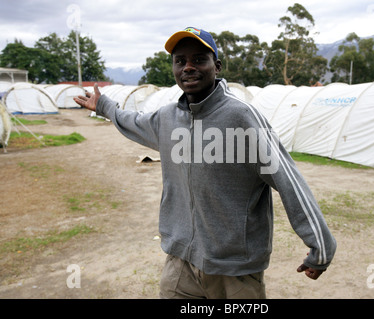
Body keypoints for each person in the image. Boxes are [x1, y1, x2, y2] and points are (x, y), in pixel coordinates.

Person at [74, 27, 336, 299]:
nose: (188, 67)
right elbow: (134, 121)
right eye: (180, 61)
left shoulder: (241, 118)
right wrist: (105, 107)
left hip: (234, 271)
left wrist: (321, 244)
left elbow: (288, 179)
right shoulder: (167, 119)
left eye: (199, 59)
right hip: (180, 263)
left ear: (217, 66)